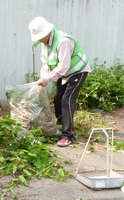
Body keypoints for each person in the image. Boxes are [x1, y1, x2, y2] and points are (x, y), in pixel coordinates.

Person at [28, 16, 91, 147]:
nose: (39, 39)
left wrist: (47, 79)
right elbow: (46, 63)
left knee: (66, 100)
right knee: (57, 98)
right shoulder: (44, 44)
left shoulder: (63, 41)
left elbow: (63, 67)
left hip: (77, 71)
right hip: (64, 72)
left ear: (46, 33)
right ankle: (62, 124)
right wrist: (42, 78)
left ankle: (68, 135)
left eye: (40, 36)